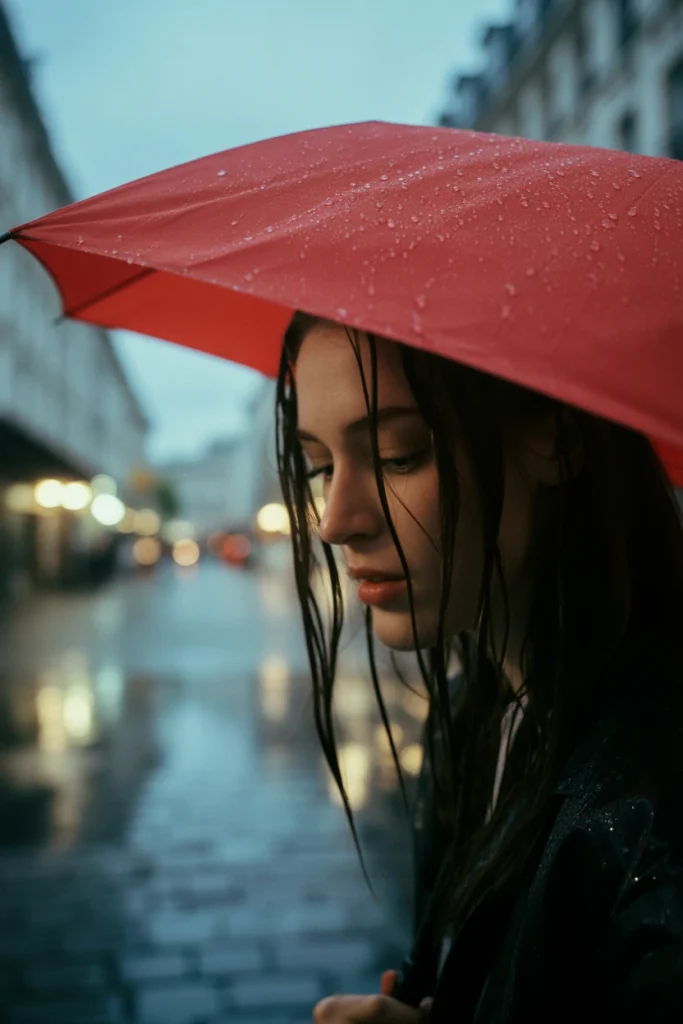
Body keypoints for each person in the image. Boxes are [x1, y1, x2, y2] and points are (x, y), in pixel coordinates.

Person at [275, 311, 683, 1023]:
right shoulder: (474, 715)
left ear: (554, 437)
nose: (335, 520)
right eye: (317, 466)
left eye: (399, 455)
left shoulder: (657, 802)